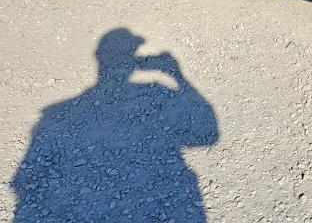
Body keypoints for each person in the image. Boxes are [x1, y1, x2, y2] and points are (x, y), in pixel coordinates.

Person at [12, 28, 219, 222]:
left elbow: (24, 181)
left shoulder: (53, 114)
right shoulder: (157, 90)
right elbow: (208, 136)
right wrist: (177, 75)